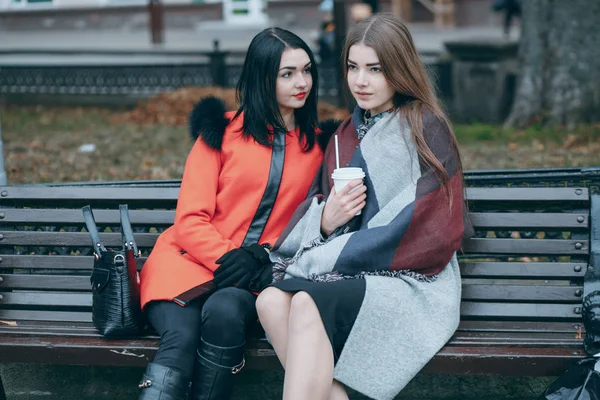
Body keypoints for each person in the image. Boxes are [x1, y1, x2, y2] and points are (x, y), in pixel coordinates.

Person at [255, 14, 473, 400]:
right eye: (353, 67)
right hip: (350, 270)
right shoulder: (344, 136)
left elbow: (428, 229)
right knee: (271, 300)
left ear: (399, 70)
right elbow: (318, 212)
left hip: (415, 279)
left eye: (375, 69)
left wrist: (324, 258)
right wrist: (325, 221)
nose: (360, 81)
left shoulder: (425, 128)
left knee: (306, 301)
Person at [137, 27, 334, 400]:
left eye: (307, 70)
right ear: (263, 78)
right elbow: (190, 218)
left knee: (225, 312)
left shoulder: (318, 147)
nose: (302, 82)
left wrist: (263, 257)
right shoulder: (221, 133)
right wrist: (230, 258)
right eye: (287, 74)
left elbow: (312, 222)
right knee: (181, 335)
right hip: (186, 264)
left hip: (256, 276)